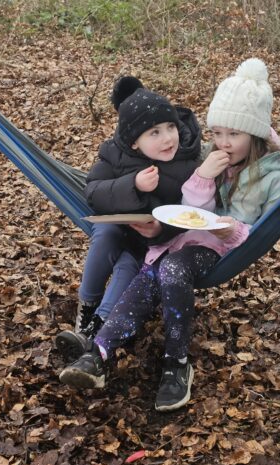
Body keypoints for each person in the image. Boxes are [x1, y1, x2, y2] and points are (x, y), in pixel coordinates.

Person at [59, 58, 280, 412]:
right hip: (183, 239)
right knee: (145, 278)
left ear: (255, 133)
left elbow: (268, 225)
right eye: (217, 133)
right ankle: (98, 355)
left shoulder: (274, 174)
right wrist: (203, 175)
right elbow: (192, 206)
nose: (223, 142)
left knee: (171, 269)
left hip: (221, 247)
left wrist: (234, 229)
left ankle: (177, 364)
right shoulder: (214, 158)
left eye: (234, 134)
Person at [57, 77, 202, 359]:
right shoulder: (114, 154)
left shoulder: (186, 163)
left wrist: (160, 229)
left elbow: (193, 212)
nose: (168, 138)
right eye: (155, 133)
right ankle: (86, 308)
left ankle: (97, 328)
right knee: (106, 236)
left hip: (151, 243)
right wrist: (132, 184)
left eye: (171, 127)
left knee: (128, 264)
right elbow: (94, 192)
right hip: (117, 226)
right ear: (134, 143)